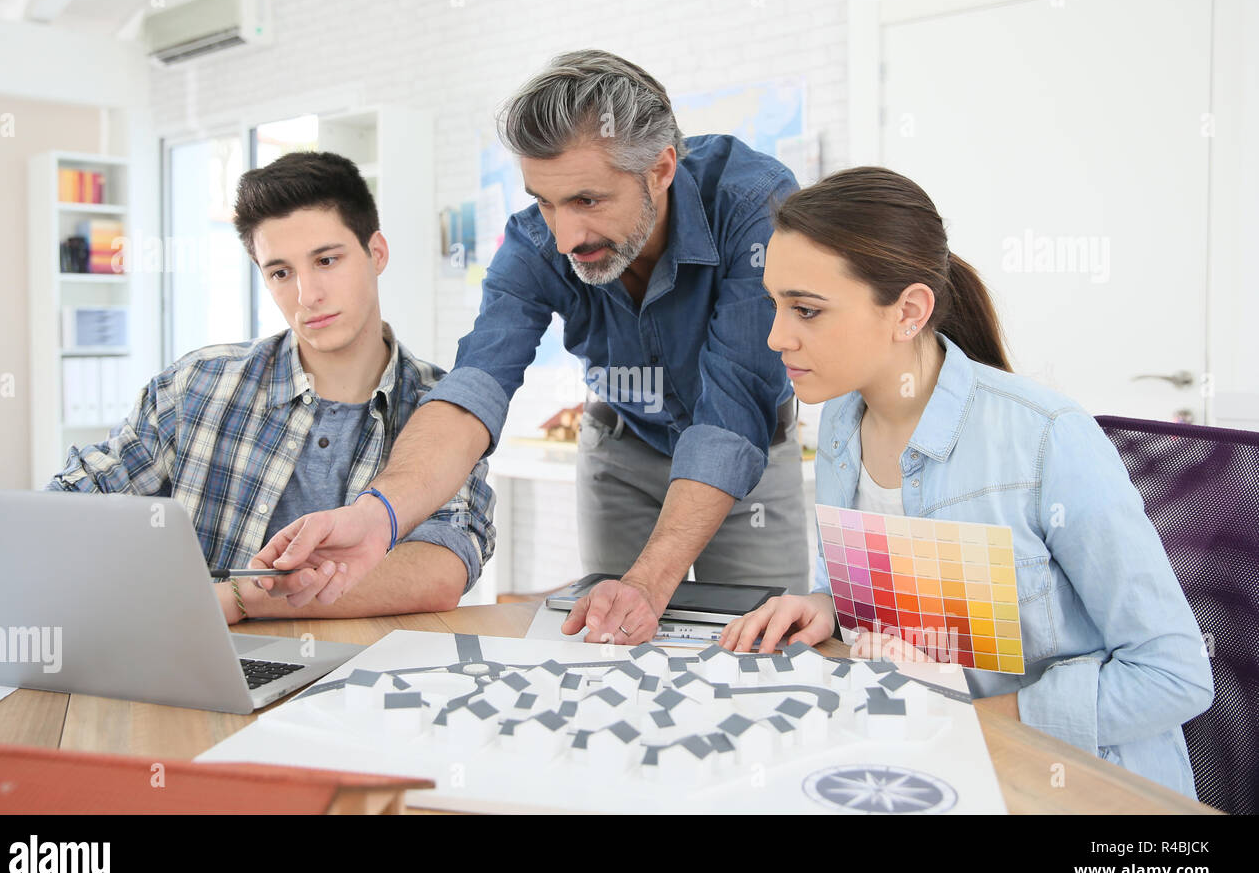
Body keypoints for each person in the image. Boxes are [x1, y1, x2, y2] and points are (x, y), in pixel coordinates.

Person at [254, 50, 809, 643]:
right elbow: (475, 387)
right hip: (623, 446)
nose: (566, 237)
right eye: (545, 201)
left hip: (748, 449)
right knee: (611, 643)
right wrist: (376, 517)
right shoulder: (532, 244)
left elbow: (734, 402)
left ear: (661, 169)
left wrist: (650, 582)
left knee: (761, 645)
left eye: (588, 201)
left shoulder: (754, 203)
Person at [720, 166, 1213, 798]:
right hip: (932, 766)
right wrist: (826, 608)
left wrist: (978, 725)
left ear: (909, 312)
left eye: (807, 310)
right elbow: (895, 608)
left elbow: (1174, 676)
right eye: (775, 304)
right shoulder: (842, 421)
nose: (775, 336)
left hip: (1073, 788)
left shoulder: (1046, 439)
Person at [46, 151, 494, 624]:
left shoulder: (442, 409)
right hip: (202, 673)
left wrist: (239, 600)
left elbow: (442, 565)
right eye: (281, 272)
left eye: (326, 260)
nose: (307, 295)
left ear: (376, 253)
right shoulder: (195, 386)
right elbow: (78, 501)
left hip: (366, 683)